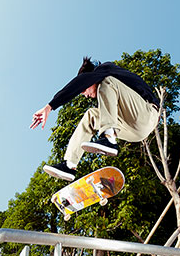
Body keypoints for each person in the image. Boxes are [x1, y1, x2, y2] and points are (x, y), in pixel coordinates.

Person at [30, 56, 160, 182]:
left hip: (147, 115)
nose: (85, 95)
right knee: (92, 115)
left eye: (84, 90)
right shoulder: (107, 91)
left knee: (108, 82)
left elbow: (79, 83)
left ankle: (109, 138)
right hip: (134, 132)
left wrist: (50, 106)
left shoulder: (104, 69)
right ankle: (70, 166)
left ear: (89, 78)